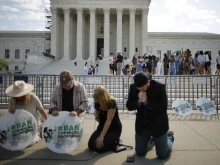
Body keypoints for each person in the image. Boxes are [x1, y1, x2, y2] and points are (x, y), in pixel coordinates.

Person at [126, 72, 174, 159]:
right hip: (142, 124)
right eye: (138, 88)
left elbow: (163, 108)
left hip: (158, 124)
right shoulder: (133, 87)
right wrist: (138, 102)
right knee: (140, 152)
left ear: (148, 82)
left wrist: (146, 102)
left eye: (143, 88)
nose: (141, 90)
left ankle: (169, 137)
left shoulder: (159, 87)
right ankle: (152, 139)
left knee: (162, 155)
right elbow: (129, 106)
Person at [5, 80, 48, 144]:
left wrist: (48, 120)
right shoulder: (12, 100)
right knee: (13, 140)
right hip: (19, 125)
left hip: (32, 124)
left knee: (29, 142)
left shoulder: (33, 98)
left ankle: (37, 135)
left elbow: (41, 109)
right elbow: (9, 112)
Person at [88, 86, 122, 152]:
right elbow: (99, 121)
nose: (96, 100)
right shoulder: (97, 103)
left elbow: (108, 121)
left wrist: (101, 136)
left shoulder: (111, 102)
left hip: (113, 129)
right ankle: (108, 141)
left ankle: (114, 142)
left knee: (99, 148)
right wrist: (96, 116)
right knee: (91, 145)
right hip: (102, 126)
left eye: (97, 99)